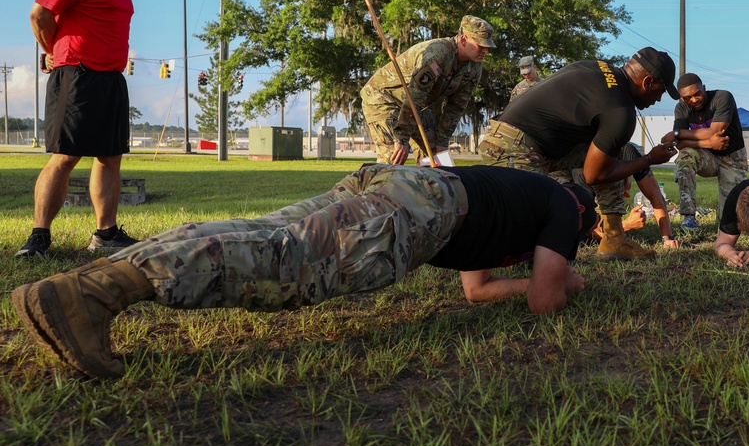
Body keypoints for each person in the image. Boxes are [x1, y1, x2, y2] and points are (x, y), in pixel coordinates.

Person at [12, 164, 598, 380]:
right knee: (287, 262)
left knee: (263, 233)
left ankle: (86, 283)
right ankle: (92, 294)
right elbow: (548, 301)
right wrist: (563, 280)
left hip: (404, 184)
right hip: (423, 208)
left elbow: (476, 290)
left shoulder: (528, 194)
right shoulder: (566, 208)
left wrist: (520, 279)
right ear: (584, 212)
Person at [480, 47, 697, 259]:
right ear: (647, 82)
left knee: (615, 153)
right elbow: (595, 176)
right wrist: (649, 159)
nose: (658, 100)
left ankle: (614, 239)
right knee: (524, 243)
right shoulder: (620, 111)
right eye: (660, 91)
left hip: (537, 144)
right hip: (510, 146)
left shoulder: (598, 67)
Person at [16, 0, 142, 258]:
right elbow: (39, 14)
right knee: (66, 157)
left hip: (111, 78)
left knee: (110, 157)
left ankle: (106, 233)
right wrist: (51, 51)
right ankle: (39, 238)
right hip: (78, 75)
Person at [361, 15, 495, 165]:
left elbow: (456, 107)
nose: (486, 51)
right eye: (480, 45)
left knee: (436, 159)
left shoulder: (474, 67)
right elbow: (415, 97)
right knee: (394, 157)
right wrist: (402, 137)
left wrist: (442, 142)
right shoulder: (436, 55)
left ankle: (428, 187)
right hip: (384, 99)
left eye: (488, 46)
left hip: (416, 106)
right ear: (464, 39)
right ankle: (380, 185)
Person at [661, 73, 747, 234]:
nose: (694, 100)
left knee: (730, 224)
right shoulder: (681, 108)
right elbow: (680, 145)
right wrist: (708, 143)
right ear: (681, 98)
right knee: (685, 156)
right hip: (708, 156)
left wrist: (678, 133)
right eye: (687, 97)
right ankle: (689, 217)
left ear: (704, 89)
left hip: (733, 158)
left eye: (697, 94)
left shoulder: (722, 97)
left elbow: (716, 130)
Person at [575, 143, 680, 249]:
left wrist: (667, 237)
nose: (627, 195)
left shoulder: (625, 150)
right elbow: (586, 236)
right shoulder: (578, 174)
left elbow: (656, 195)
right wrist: (626, 225)